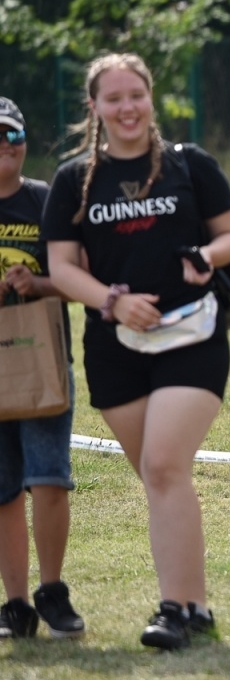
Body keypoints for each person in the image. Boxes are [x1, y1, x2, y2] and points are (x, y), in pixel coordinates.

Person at [42, 54, 230, 651]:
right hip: (114, 349)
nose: (127, 107)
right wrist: (113, 301)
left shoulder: (191, 164)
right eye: (113, 98)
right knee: (162, 478)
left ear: (150, 98)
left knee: (162, 466)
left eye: (136, 94)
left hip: (193, 336)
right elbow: (61, 267)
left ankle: (173, 611)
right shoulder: (73, 179)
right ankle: (198, 608)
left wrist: (206, 256)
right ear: (95, 107)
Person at [0, 97, 85, 640]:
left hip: (44, 364)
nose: (5, 145)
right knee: (3, 490)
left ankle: (52, 593)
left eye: (12, 134)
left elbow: (80, 277)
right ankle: (14, 606)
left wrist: (38, 283)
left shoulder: (45, 200)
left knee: (49, 478)